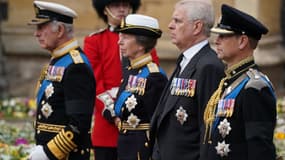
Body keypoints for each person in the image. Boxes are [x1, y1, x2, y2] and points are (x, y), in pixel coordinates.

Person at [83, 1, 160, 160]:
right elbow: (94, 84)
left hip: (136, 127)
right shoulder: (95, 41)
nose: (122, 9)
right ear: (105, 9)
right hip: (106, 127)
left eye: (126, 4)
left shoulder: (143, 41)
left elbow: (151, 83)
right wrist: (114, 115)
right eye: (115, 5)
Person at [150, 0, 225, 160]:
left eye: (177, 21)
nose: (170, 25)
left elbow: (209, 130)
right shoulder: (186, 60)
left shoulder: (208, 66)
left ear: (197, 27)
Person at [201, 4, 277, 160]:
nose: (216, 41)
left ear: (242, 41)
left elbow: (260, 151)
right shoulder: (228, 82)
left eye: (223, 36)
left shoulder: (255, 88)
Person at [27, 1, 95, 160]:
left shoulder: (76, 66)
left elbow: (79, 122)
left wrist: (49, 152)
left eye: (41, 28)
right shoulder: (58, 60)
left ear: (60, 30)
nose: (36, 34)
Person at [113, 14, 168, 160]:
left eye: (125, 37)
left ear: (141, 44)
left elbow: (158, 124)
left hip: (142, 151)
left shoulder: (154, 77)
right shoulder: (131, 70)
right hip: (125, 147)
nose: (119, 42)